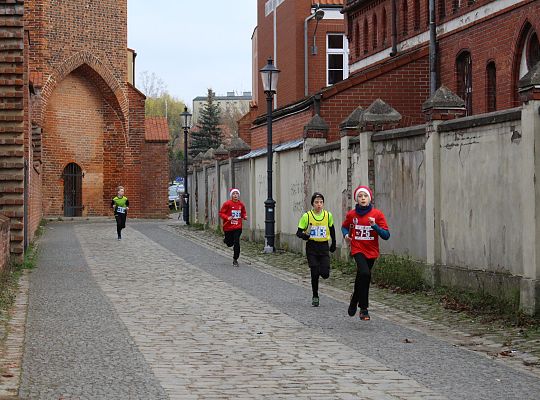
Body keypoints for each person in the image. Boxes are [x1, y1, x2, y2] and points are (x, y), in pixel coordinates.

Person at [342, 185, 390, 320]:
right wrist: (346, 235)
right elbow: (344, 227)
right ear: (357, 199)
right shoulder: (352, 214)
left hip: (372, 251)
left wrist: (374, 225)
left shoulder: (377, 214)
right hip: (357, 248)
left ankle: (354, 300)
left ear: (369, 198)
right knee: (364, 273)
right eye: (360, 196)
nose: (363, 198)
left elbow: (386, 235)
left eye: (365, 196)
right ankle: (364, 309)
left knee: (362, 277)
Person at [296, 192, 336, 307]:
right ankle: (315, 295)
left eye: (321, 202)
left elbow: (332, 229)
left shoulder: (328, 215)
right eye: (316, 202)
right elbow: (298, 232)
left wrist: (333, 243)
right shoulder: (307, 216)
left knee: (325, 274)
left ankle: (321, 270)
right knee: (314, 272)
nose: (319, 204)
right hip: (312, 247)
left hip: (323, 246)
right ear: (312, 204)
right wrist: (305, 236)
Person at [219, 188, 247, 267]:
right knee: (229, 243)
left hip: (238, 226)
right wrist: (227, 217)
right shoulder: (227, 204)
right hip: (228, 227)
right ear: (231, 195)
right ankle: (226, 240)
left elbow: (243, 212)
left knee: (236, 242)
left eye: (237, 194)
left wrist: (244, 216)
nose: (235, 195)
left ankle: (235, 259)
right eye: (234, 194)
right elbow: (221, 213)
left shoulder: (241, 204)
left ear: (238, 195)